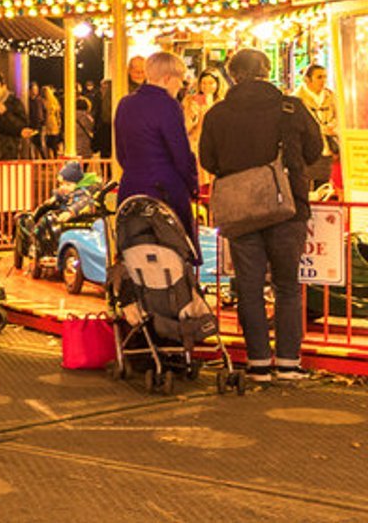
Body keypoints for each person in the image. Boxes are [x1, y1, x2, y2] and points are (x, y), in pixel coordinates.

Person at [199, 48, 325, 383]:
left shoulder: (218, 114)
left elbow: (208, 161)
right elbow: (314, 150)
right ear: (267, 71)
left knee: (249, 287)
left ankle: (257, 363)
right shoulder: (291, 108)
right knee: (286, 286)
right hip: (288, 206)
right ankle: (287, 362)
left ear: (233, 75)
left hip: (241, 211)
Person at [112, 50, 201, 239]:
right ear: (168, 78)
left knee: (134, 249)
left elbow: (121, 152)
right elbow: (180, 153)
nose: (180, 85)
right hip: (164, 189)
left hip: (131, 186)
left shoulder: (125, 104)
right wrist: (192, 183)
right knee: (176, 247)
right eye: (180, 80)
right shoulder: (168, 105)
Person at [294, 63, 340, 183]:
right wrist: (321, 129)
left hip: (330, 150)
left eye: (325, 77)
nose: (323, 81)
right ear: (307, 79)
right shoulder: (297, 99)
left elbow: (339, 116)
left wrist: (333, 125)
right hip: (308, 152)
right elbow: (298, 127)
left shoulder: (331, 96)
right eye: (319, 77)